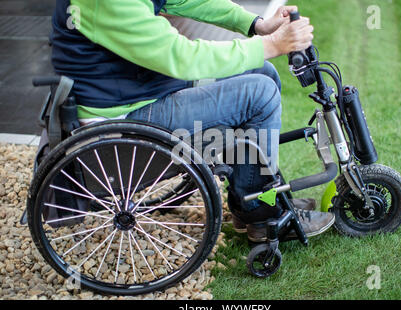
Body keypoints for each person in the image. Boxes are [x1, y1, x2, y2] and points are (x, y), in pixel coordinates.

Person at [51, 0, 335, 242]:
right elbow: (182, 57)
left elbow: (187, 0)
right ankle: (261, 214)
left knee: (263, 72)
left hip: (132, 92)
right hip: (123, 119)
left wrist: (256, 25)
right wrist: (270, 44)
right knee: (259, 93)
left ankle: (247, 199)